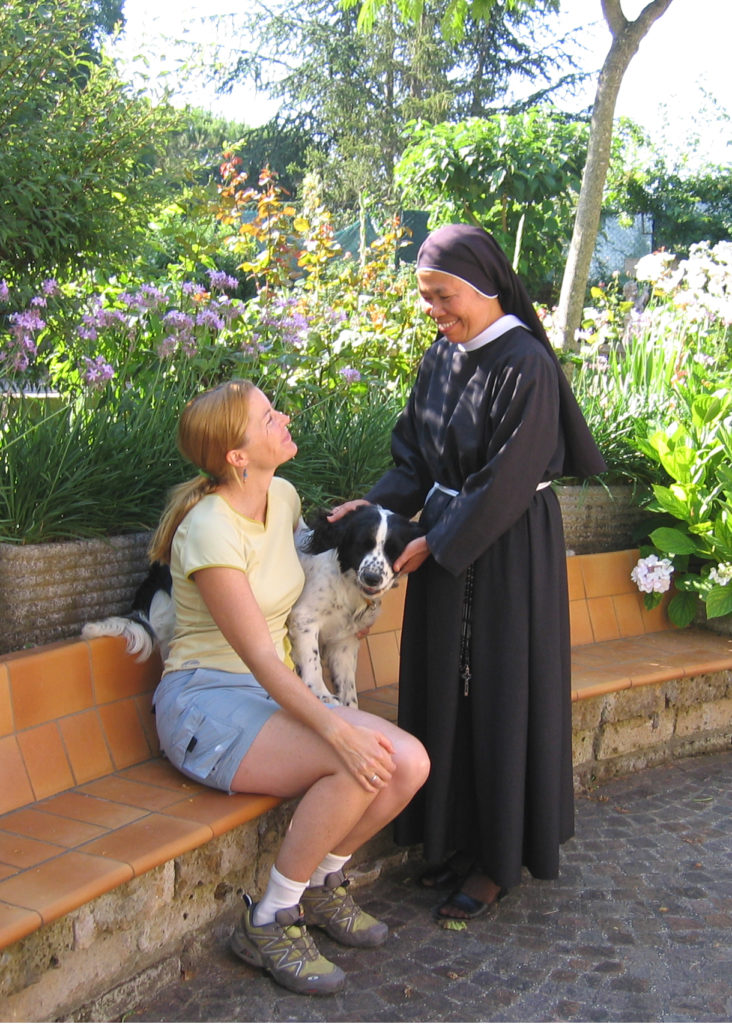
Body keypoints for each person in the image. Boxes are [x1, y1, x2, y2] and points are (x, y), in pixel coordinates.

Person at [330, 224, 606, 920]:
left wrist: (438, 543)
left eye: (443, 297)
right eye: (426, 299)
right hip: (446, 537)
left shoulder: (526, 366)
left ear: (485, 287)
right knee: (443, 690)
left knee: (500, 691)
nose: (435, 312)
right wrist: (379, 511)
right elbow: (413, 459)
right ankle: (449, 840)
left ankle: (495, 860)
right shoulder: (441, 357)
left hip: (507, 550)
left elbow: (507, 482)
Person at [148, 379, 430, 996]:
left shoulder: (282, 493)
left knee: (410, 763)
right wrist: (336, 728)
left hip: (264, 694)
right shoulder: (209, 529)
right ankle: (271, 917)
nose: (284, 418)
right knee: (357, 763)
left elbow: (302, 553)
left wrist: (342, 525)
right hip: (208, 702)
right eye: (268, 416)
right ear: (236, 456)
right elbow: (262, 659)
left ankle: (324, 884)